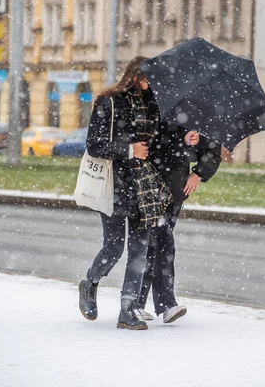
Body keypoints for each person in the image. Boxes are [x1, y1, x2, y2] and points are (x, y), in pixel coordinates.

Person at [78, 56, 171, 331]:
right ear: (135, 77)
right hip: (116, 185)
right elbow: (94, 145)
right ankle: (90, 283)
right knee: (114, 247)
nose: (152, 85)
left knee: (140, 250)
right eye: (147, 80)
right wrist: (129, 150)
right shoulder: (110, 103)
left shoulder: (155, 106)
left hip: (145, 188)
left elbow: (160, 145)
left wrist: (189, 140)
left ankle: (127, 309)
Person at [134, 122, 222, 323]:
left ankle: (141, 303)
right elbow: (151, 146)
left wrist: (199, 172)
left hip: (175, 188)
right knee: (157, 242)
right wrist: (181, 142)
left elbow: (212, 151)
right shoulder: (155, 106)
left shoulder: (199, 115)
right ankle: (157, 304)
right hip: (148, 185)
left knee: (157, 244)